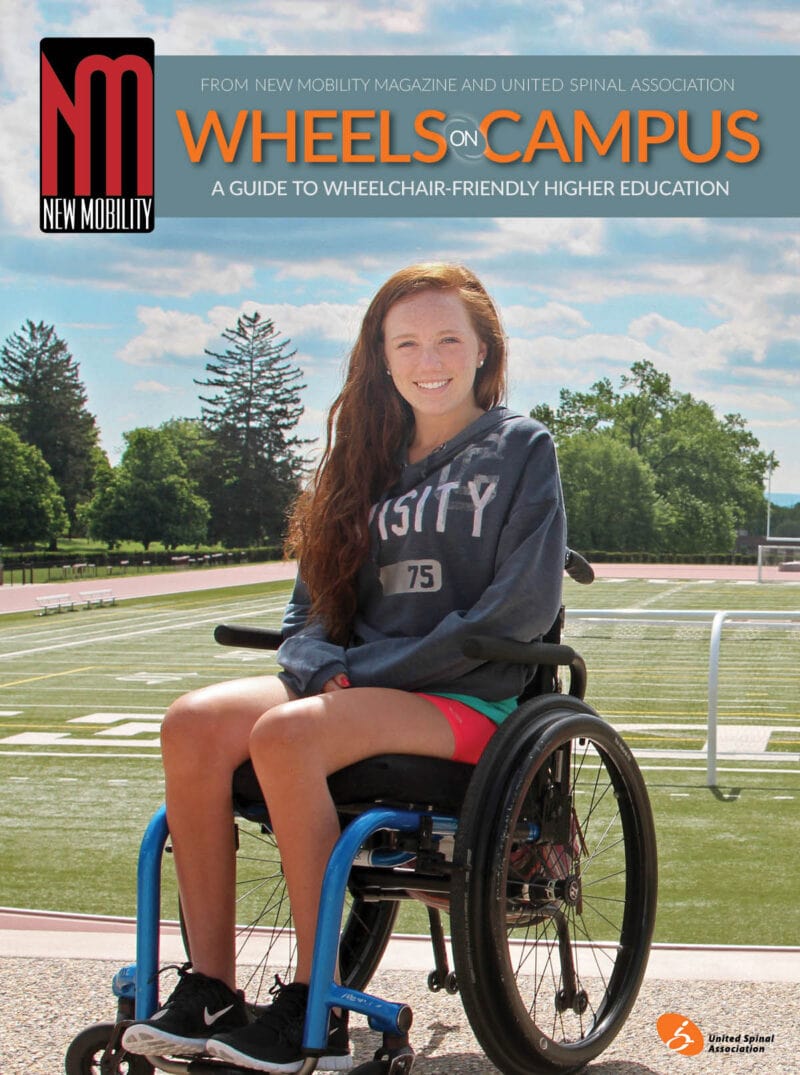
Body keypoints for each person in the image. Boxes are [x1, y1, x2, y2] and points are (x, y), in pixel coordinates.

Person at [122, 262, 567, 1073]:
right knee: (191, 722)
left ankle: (308, 1002)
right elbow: (314, 607)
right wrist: (322, 660)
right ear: (381, 356)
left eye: (446, 340)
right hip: (359, 684)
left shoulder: (520, 447)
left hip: (469, 698)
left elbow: (520, 610)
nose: (427, 360)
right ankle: (211, 986)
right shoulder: (361, 459)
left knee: (288, 735)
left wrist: (372, 669)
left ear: (482, 351)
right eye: (407, 343)